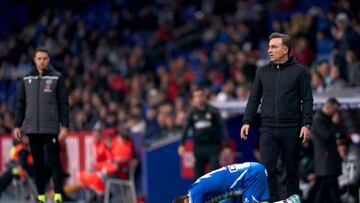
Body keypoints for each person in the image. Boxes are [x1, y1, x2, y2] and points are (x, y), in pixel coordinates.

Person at [240, 32, 313, 201]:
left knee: (292, 171)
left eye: (274, 47)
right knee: (267, 169)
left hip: (292, 128)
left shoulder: (300, 71)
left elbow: (307, 99)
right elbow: (254, 98)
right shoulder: (262, 71)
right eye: (269, 47)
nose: (269, 50)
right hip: (268, 129)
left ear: (285, 50)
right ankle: (271, 200)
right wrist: (246, 120)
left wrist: (306, 123)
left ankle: (293, 199)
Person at [13, 47, 69, 203]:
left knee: (54, 161)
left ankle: (58, 195)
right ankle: (41, 196)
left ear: (49, 60)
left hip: (51, 128)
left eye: (45, 58)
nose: (42, 61)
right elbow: (20, 104)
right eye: (39, 58)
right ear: (34, 60)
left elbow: (63, 104)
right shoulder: (26, 79)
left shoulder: (57, 77)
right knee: (37, 163)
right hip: (32, 129)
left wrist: (64, 126)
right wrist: (17, 125)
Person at [172, 162, 302, 203]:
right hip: (253, 171)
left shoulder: (194, 193)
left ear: (185, 201)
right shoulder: (199, 190)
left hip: (251, 175)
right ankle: (289, 202)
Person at [178, 86, 231, 178]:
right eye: (196, 96)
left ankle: (215, 192)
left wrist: (226, 145)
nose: (199, 98)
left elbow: (223, 128)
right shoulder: (191, 113)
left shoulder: (213, 111)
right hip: (199, 148)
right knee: (198, 176)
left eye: (201, 96)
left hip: (213, 146)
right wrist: (182, 144)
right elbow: (185, 128)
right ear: (193, 99)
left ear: (204, 97)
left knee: (214, 174)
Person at [308, 97, 342, 203]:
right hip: (325, 161)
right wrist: (335, 124)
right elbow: (327, 136)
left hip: (328, 163)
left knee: (325, 189)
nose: (336, 113)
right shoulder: (318, 119)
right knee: (329, 188)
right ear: (328, 107)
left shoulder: (326, 118)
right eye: (335, 110)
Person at [337, 138, 360, 203]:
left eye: (344, 150)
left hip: (351, 189)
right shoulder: (340, 161)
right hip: (341, 189)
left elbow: (353, 179)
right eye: (340, 150)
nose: (342, 152)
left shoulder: (353, 159)